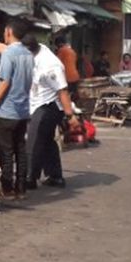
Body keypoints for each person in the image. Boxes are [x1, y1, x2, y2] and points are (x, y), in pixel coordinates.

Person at [0, 20, 35, 199]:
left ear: (9, 32)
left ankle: (7, 188)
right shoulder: (28, 54)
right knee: (20, 150)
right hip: (23, 110)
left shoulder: (9, 54)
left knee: (5, 151)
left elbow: (5, 82)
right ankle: (21, 188)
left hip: (7, 111)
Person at [27, 40, 81, 189]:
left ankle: (29, 178)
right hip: (40, 104)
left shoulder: (51, 64)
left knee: (34, 141)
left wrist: (70, 116)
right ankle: (55, 176)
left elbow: (62, 90)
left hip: (48, 106)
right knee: (46, 141)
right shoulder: (36, 52)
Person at [54, 34, 80, 99]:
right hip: (75, 77)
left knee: (65, 96)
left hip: (67, 78)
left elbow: (56, 63)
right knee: (73, 95)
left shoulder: (62, 50)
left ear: (59, 44)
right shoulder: (72, 51)